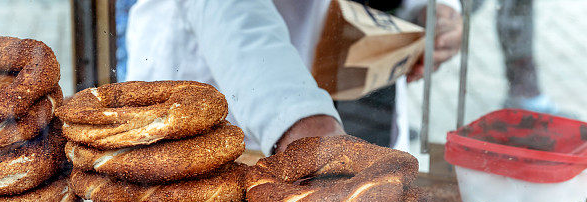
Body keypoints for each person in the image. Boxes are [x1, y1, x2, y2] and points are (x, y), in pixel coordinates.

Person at [125, 0, 462, 152]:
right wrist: (298, 119)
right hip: (230, 64)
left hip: (353, 61)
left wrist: (429, 9)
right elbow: (230, 12)